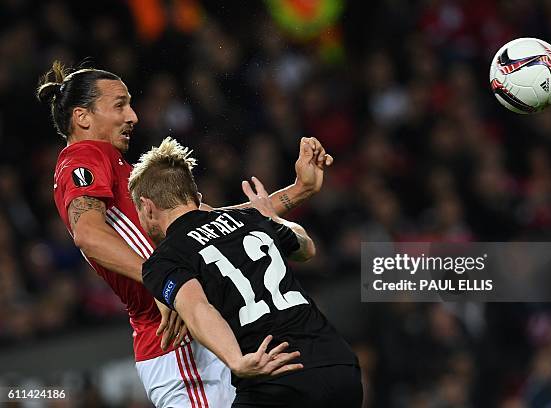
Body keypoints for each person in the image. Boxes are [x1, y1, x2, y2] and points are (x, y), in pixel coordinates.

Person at [37, 60, 333, 407]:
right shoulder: (82, 158)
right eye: (119, 105)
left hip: (203, 331)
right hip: (176, 346)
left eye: (131, 104)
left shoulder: (129, 175)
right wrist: (166, 285)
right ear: (82, 117)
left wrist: (299, 190)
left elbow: (216, 222)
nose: (133, 116)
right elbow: (88, 234)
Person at [130, 137, 363, 408]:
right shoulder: (248, 218)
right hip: (339, 364)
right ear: (196, 197)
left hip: (276, 377)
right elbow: (306, 249)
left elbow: (197, 308)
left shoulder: (164, 258)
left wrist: (236, 360)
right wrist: (273, 219)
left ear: (147, 207)